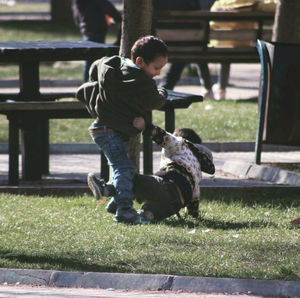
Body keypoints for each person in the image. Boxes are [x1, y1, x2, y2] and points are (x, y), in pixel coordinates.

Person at [76, 36, 169, 224]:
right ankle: (125, 211)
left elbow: (94, 68)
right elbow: (155, 101)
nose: (158, 74)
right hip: (109, 130)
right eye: (156, 68)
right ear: (140, 62)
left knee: (122, 169)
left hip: (102, 128)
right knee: (124, 168)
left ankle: (112, 198)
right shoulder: (142, 81)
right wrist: (163, 92)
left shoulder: (113, 65)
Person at [87, 124, 215, 222]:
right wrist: (194, 216)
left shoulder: (181, 144)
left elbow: (165, 138)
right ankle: (146, 214)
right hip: (174, 206)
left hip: (166, 186)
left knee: (133, 181)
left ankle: (106, 189)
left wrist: (147, 127)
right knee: (151, 210)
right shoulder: (197, 172)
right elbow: (195, 198)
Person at [154, 0, 215, 99]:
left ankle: (165, 87)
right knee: (189, 49)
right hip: (192, 42)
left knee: (184, 52)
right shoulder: (189, 3)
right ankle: (208, 89)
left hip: (163, 41)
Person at [72, 0, 122, 82]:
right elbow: (106, 6)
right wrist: (118, 19)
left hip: (87, 29)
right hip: (96, 29)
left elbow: (76, 14)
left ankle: (87, 84)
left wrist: (81, 24)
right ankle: (91, 85)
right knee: (95, 60)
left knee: (89, 59)